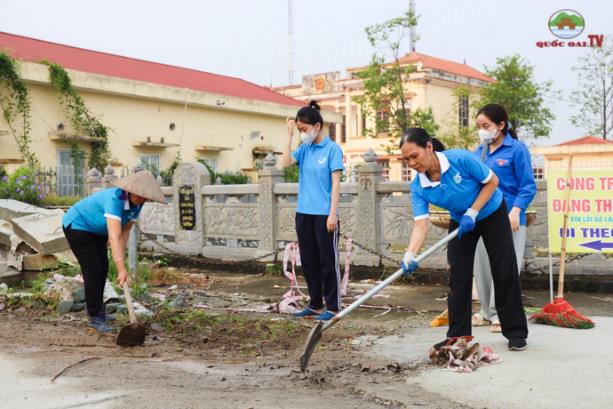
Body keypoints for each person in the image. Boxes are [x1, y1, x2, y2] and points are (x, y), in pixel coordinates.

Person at [399, 128, 528, 351]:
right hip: (461, 220)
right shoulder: (418, 186)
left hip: (491, 211)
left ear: (428, 147)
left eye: (414, 156)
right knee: (457, 275)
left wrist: (474, 211)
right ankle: (458, 336)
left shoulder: (461, 159)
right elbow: (421, 223)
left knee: (504, 269)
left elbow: (492, 181)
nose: (411, 163)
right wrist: (410, 253)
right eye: (406, 159)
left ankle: (516, 331)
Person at [62, 170, 165, 333]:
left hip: (97, 231)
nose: (141, 200)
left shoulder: (137, 203)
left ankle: (98, 311)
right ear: (130, 191)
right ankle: (95, 316)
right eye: (139, 196)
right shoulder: (114, 199)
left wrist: (120, 262)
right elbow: (114, 235)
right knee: (93, 269)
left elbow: (125, 232)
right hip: (78, 225)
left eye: (145, 197)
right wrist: (121, 268)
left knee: (103, 267)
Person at [472, 104, 536, 333]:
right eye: (479, 126)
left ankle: (501, 313)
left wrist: (517, 210)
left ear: (501, 125)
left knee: (506, 268)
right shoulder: (479, 151)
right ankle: (486, 311)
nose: (482, 130)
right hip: (482, 216)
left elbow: (527, 186)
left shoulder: (517, 150)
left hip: (509, 217)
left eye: (486, 126)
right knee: (482, 265)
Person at [281, 100, 344, 321]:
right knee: (308, 262)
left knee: (328, 263)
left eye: (304, 129)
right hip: (304, 213)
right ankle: (315, 304)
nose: (302, 134)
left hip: (324, 215)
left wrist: (332, 213)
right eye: (299, 130)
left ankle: (333, 307)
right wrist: (289, 135)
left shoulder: (332, 149)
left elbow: (336, 183)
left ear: (317, 126)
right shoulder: (305, 148)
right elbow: (285, 162)